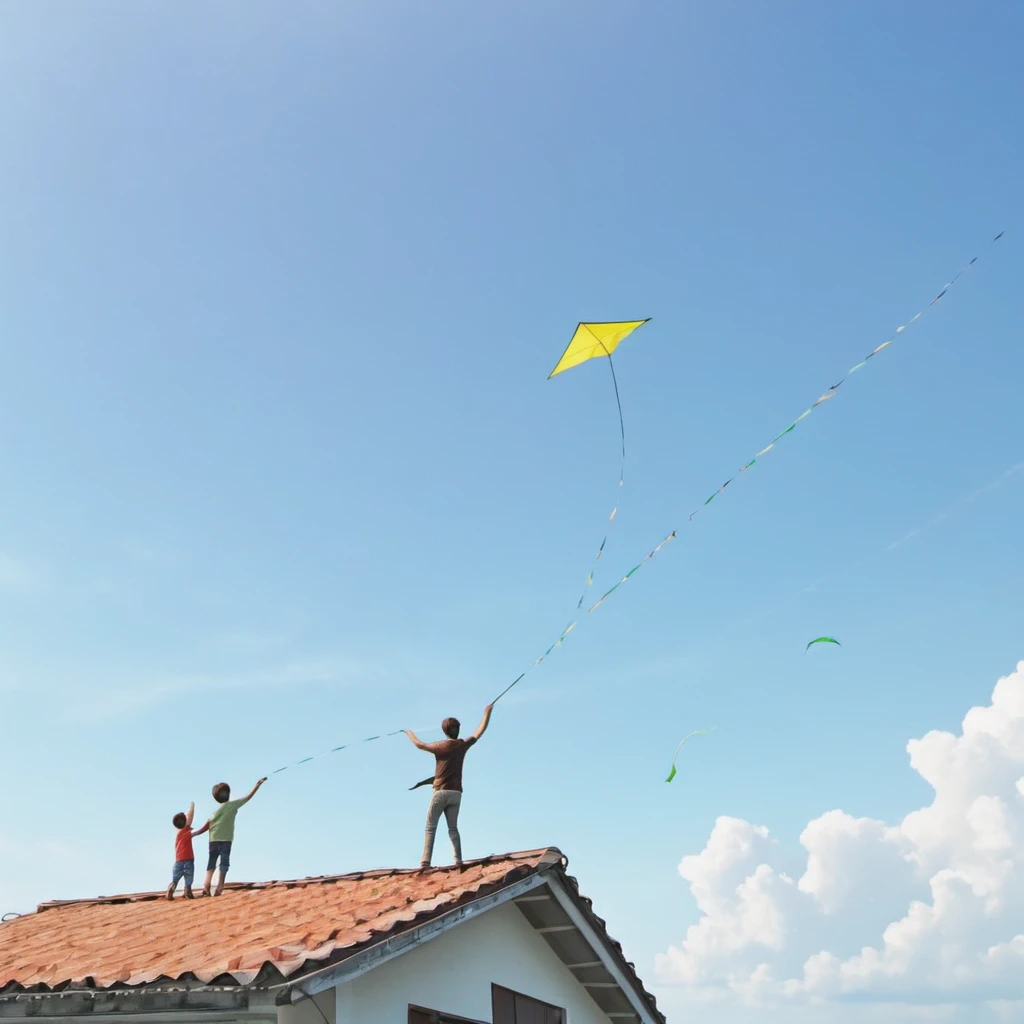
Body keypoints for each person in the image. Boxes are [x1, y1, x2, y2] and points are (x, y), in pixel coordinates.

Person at [404, 703, 493, 869]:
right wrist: (487, 713)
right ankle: (458, 861)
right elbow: (479, 732)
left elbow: (419, 745)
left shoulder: (440, 747)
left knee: (430, 827)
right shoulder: (462, 745)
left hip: (440, 792)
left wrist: (409, 733)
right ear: (457, 730)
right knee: (453, 828)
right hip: (456, 793)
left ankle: (425, 862)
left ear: (444, 731)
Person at [199, 777, 267, 897]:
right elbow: (248, 797)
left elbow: (206, 826)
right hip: (226, 839)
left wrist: (194, 834)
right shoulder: (232, 805)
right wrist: (257, 784)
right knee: (224, 863)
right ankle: (220, 886)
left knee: (212, 862)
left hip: (213, 839)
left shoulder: (215, 812)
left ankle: (206, 885)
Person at [167, 801, 208, 900]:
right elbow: (199, 831)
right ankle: (188, 892)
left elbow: (188, 817)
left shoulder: (178, 834)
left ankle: (171, 889)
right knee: (188, 877)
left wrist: (192, 807)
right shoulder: (187, 833)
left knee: (175, 878)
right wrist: (208, 824)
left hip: (178, 860)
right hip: (188, 859)